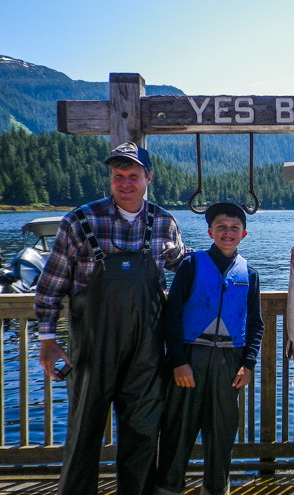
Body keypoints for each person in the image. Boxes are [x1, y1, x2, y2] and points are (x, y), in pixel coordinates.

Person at [36, 141, 187, 495]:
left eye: (133, 175)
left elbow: (184, 265)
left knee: (143, 431)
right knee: (83, 429)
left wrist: (228, 262)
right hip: (91, 349)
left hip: (146, 350)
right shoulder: (80, 220)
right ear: (110, 179)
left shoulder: (164, 222)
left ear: (148, 177)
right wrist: (47, 340)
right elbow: (51, 285)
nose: (125, 182)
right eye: (118, 176)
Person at [155, 202, 264, 495]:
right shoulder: (191, 265)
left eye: (234, 228)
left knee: (222, 433)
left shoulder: (249, 274)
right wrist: (178, 360)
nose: (227, 233)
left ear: (244, 234)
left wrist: (249, 364)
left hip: (230, 363)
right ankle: (168, 488)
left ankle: (216, 488)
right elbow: (171, 315)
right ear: (210, 232)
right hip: (190, 358)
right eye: (221, 227)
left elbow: (256, 325)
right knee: (179, 430)